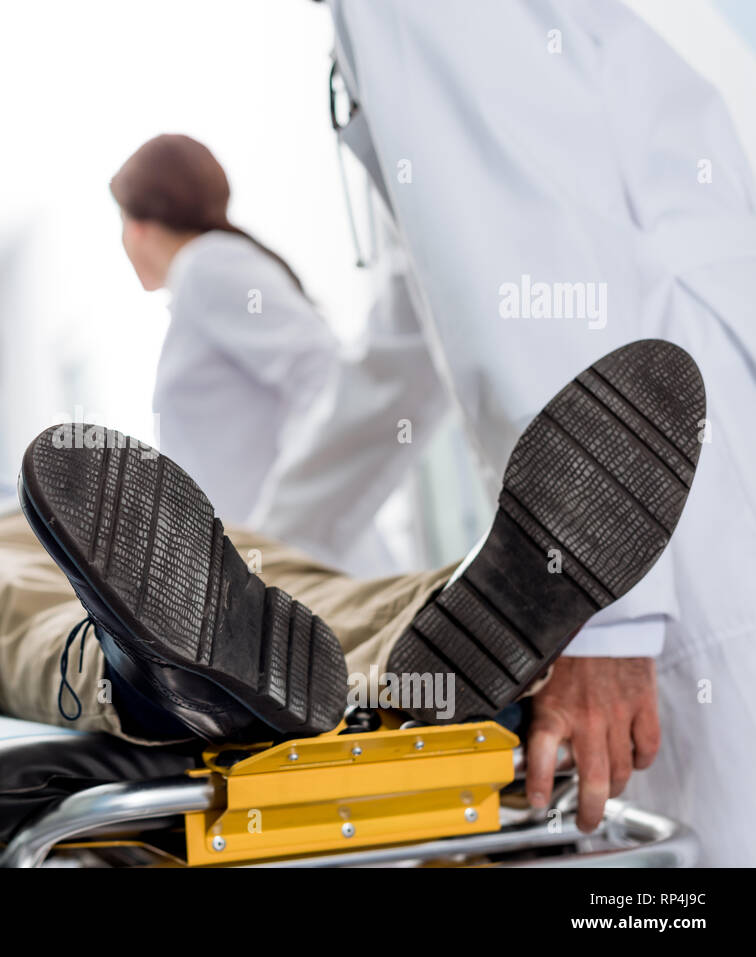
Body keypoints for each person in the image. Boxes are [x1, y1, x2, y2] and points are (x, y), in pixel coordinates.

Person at [249, 0, 756, 865]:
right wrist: (265, 544)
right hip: (694, 406)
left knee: (706, 840)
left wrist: (597, 615)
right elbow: (403, 341)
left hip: (670, 474)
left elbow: (535, 233)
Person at [0, 341, 702, 841]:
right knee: (18, 608)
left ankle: (456, 611)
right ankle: (154, 677)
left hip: (117, 540)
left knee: (282, 594)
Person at [109, 134, 426, 576]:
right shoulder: (203, 278)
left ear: (138, 225)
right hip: (277, 567)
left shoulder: (206, 267)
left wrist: (285, 529)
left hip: (298, 567)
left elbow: (319, 377)